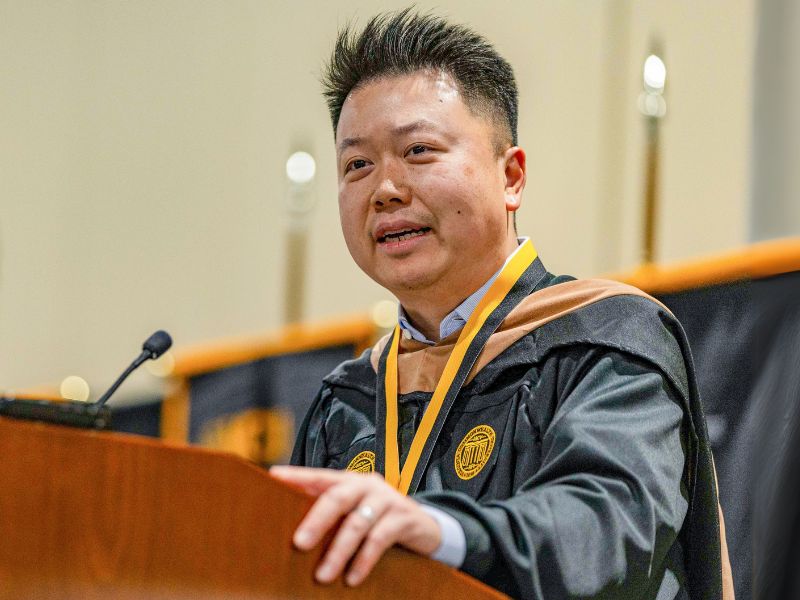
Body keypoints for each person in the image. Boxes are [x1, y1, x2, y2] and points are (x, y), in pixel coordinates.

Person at [270, 9, 733, 599]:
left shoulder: (607, 338)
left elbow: (604, 530)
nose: (384, 190)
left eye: (417, 150)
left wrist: (443, 533)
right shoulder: (350, 401)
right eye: (357, 165)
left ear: (511, 176)